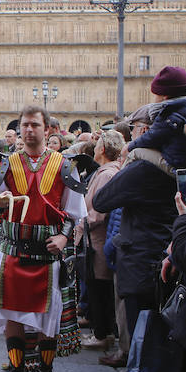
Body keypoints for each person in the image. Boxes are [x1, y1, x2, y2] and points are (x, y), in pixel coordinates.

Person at [0, 105, 88, 372]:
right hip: (14, 249)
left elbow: (74, 212)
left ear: (47, 129)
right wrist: (0, 204)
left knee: (49, 315)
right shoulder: (6, 164)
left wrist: (64, 236)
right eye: (24, 125)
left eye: (35, 125)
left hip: (48, 252)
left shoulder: (64, 164)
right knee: (12, 313)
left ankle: (45, 371)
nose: (29, 130)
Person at [94, 131, 178, 372]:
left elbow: (102, 200)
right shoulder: (178, 167)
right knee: (166, 338)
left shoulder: (145, 168)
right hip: (169, 260)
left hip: (143, 263)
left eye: (142, 129)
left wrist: (133, 158)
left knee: (147, 339)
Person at [74, 130, 124, 350]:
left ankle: (102, 334)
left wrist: (82, 223)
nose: (93, 149)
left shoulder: (106, 174)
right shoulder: (106, 171)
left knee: (99, 288)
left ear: (103, 149)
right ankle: (100, 332)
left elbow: (99, 209)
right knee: (96, 287)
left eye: (96, 146)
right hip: (95, 239)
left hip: (97, 240)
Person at [126, 65, 186, 174]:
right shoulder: (183, 108)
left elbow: (149, 139)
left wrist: (128, 147)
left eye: (156, 94)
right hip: (181, 161)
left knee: (134, 152)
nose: (154, 99)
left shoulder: (169, 113)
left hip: (177, 167)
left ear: (164, 95)